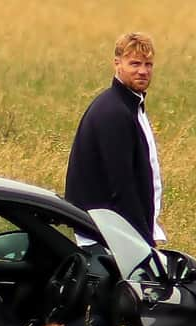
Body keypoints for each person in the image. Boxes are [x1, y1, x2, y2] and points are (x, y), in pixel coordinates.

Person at [65, 32, 166, 247]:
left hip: (114, 234)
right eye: (135, 63)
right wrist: (142, 242)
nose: (143, 71)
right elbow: (122, 184)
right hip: (106, 238)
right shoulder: (114, 112)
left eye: (148, 64)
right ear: (117, 64)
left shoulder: (127, 106)